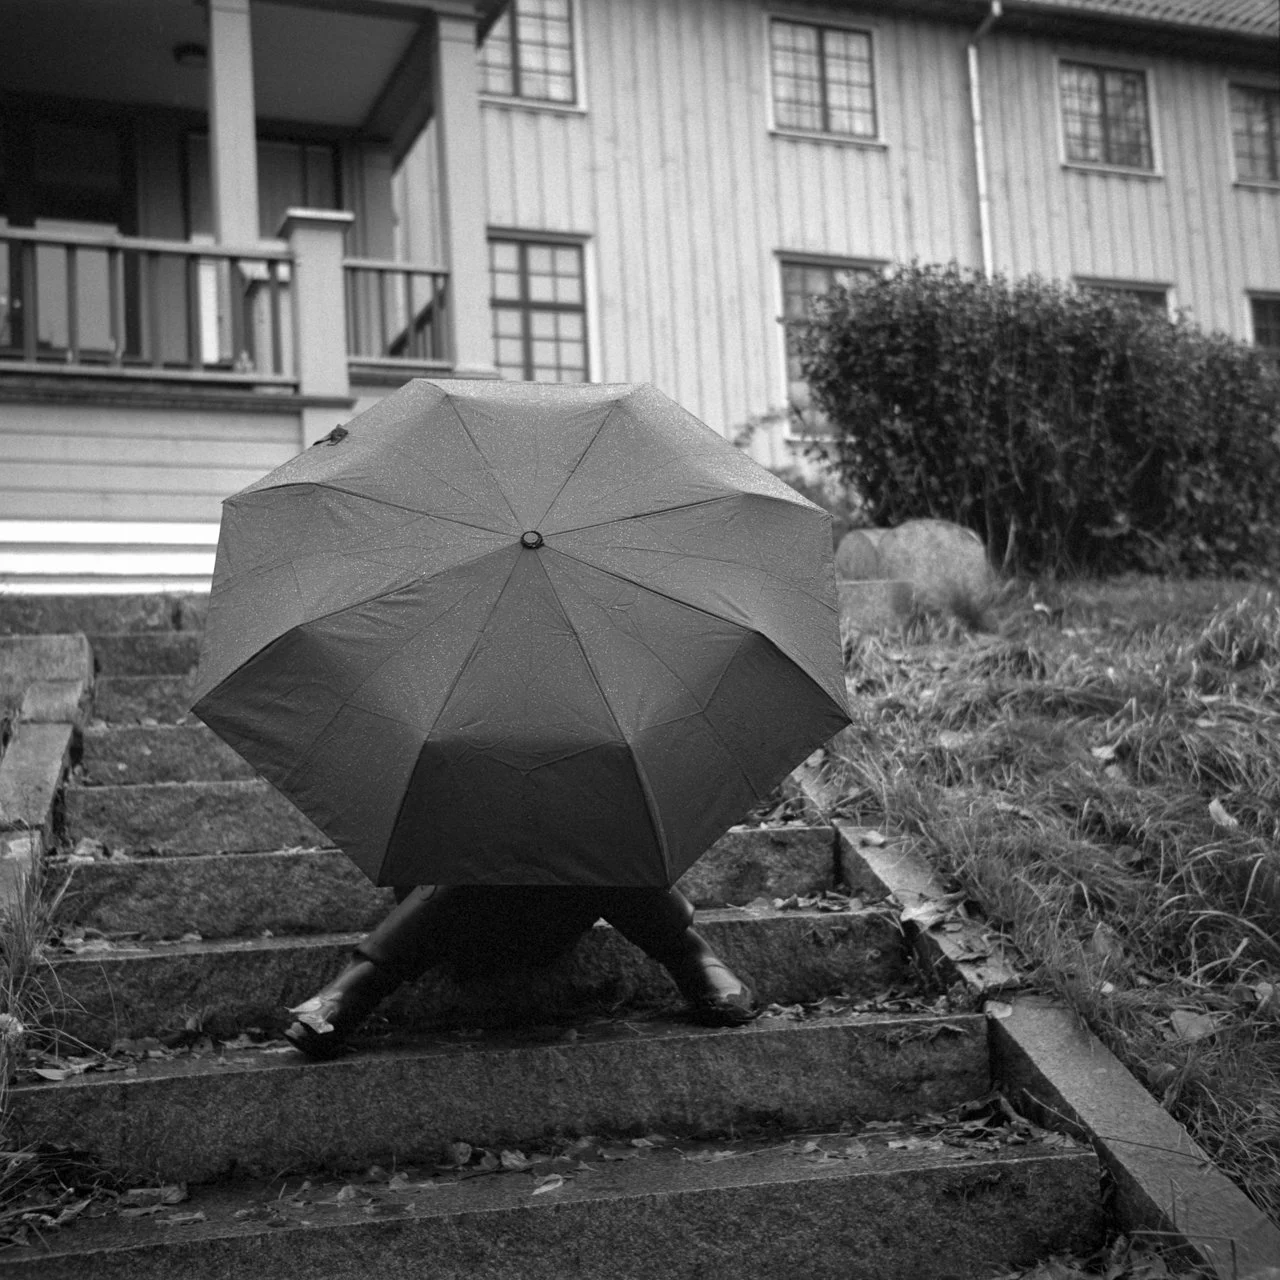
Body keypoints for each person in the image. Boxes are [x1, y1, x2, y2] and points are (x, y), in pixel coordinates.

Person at [284, 884, 758, 1059]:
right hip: (456, 909)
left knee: (598, 839)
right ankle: (357, 987)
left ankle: (690, 955)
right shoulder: (439, 735)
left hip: (556, 899)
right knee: (477, 852)